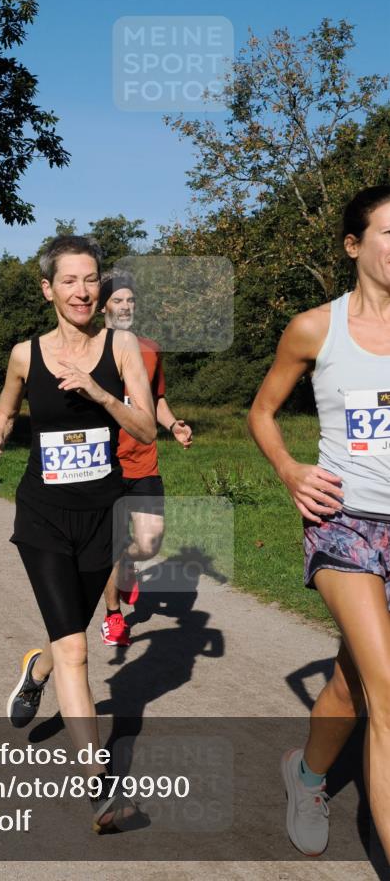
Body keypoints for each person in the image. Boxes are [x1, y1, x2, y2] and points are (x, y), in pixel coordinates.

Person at [0, 235, 156, 832]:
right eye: (70, 281)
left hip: (102, 513)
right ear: (47, 289)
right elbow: (6, 411)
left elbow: (147, 429)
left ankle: (37, 670)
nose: (83, 291)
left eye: (91, 279)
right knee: (76, 647)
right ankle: (99, 789)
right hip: (44, 517)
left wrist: (100, 392)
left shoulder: (121, 345)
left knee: (67, 633)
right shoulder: (25, 354)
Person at [248, 185, 390, 860]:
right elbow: (261, 413)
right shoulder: (314, 328)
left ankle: (305, 775)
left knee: (352, 682)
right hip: (345, 524)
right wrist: (289, 470)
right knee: (388, 694)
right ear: (353, 245)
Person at [97, 274, 193, 646]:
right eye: (117, 300)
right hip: (103, 464)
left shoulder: (149, 350)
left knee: (150, 541)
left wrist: (173, 425)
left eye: (130, 300)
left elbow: (156, 400)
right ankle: (113, 616)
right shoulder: (90, 349)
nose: (125, 307)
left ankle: (128, 565)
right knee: (110, 544)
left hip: (142, 461)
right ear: (103, 306)